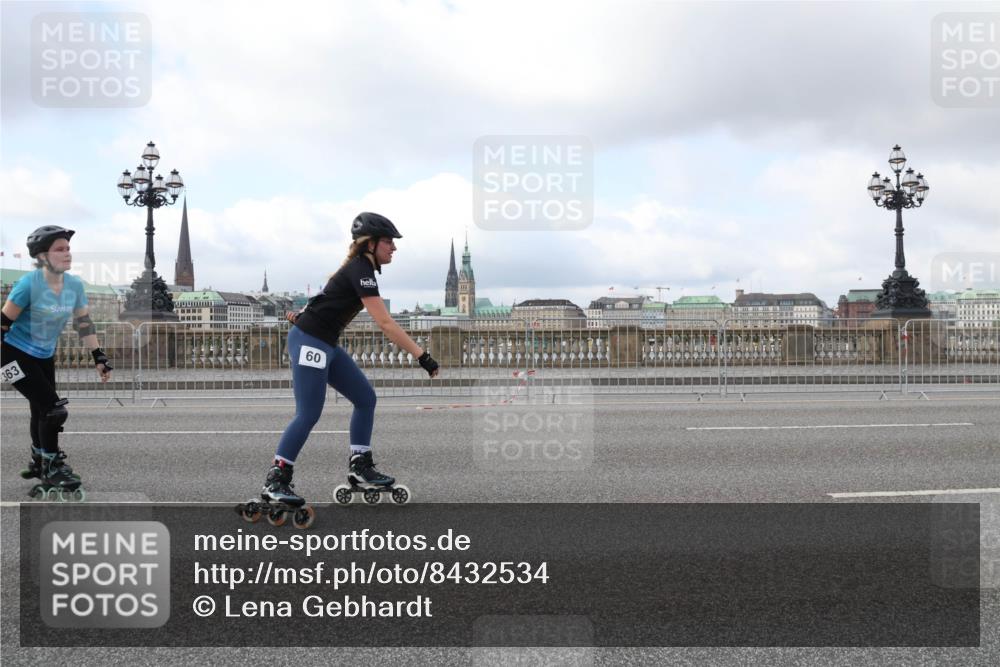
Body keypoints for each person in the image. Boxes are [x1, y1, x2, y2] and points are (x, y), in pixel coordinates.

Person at [262, 212, 439, 506]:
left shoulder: (360, 269)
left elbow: (324, 300)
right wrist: (422, 355)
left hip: (324, 342)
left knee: (366, 398)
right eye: (388, 242)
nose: (393, 247)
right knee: (308, 413)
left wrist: (303, 315)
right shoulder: (361, 270)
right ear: (370, 244)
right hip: (311, 342)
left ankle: (360, 466)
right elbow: (386, 323)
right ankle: (276, 479)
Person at [1, 226, 113, 496]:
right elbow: (3, 323)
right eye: (60, 249)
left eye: (68, 248)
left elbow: (84, 323)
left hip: (43, 355)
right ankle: (51, 466)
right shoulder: (29, 284)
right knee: (54, 410)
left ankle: (40, 459)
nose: (67, 253)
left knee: (41, 409)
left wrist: (99, 357)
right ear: (42, 257)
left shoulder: (73, 285)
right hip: (12, 353)